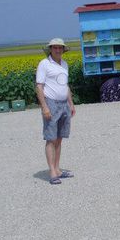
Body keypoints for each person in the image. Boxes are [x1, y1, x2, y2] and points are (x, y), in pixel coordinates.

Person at [36, 38, 76, 185]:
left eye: (60, 48)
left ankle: (58, 169)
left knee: (59, 138)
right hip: (51, 103)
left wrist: (71, 104)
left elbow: (66, 86)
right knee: (51, 138)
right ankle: (52, 171)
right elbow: (39, 86)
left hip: (64, 104)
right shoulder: (44, 64)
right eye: (55, 48)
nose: (58, 50)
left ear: (63, 50)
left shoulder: (64, 64)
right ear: (50, 49)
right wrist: (45, 107)